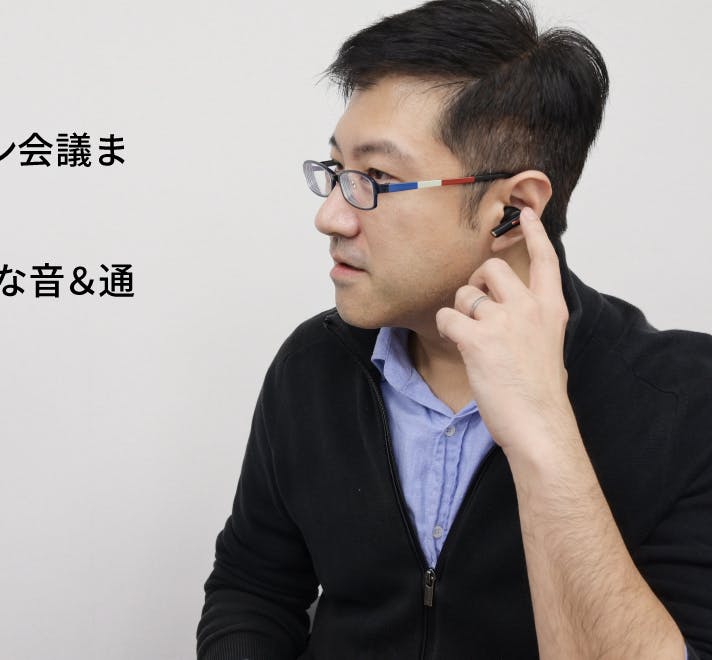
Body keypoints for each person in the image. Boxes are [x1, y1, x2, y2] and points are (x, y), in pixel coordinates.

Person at [195, 1, 712, 658]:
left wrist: (543, 431)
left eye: (377, 178)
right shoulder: (314, 364)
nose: (331, 216)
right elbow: (253, 588)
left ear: (513, 208)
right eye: (337, 171)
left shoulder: (687, 405)